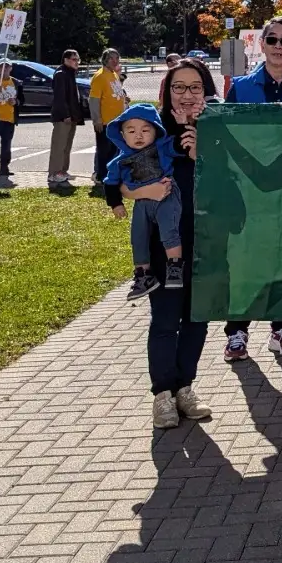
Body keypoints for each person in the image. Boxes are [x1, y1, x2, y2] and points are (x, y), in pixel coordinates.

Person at [111, 58, 216, 430]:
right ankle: (163, 395)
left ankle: (185, 387)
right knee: (166, 320)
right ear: (166, 91)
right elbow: (117, 178)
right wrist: (138, 189)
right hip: (166, 243)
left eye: (195, 88)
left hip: (207, 241)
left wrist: (201, 151)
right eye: (179, 87)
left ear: (208, 90)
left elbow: (237, 184)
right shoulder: (151, 130)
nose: (187, 95)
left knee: (197, 319)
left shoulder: (221, 126)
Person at [221, 16, 282, 360]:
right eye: (271, 40)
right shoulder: (241, 88)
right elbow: (227, 138)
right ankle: (237, 332)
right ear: (261, 44)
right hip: (248, 191)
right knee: (244, 262)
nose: (278, 47)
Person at [105, 103, 185, 297]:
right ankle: (143, 275)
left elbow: (179, 146)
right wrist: (116, 204)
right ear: (122, 135)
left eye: (145, 130)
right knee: (138, 236)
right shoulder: (119, 161)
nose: (138, 136)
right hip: (142, 202)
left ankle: (175, 267)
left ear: (156, 132)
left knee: (169, 230)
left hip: (166, 195)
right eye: (131, 131)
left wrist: (182, 125)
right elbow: (110, 183)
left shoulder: (162, 147)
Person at [89, 48, 130, 187]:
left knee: (114, 151)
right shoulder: (100, 76)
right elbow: (94, 100)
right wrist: (97, 120)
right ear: (105, 60)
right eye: (112, 58)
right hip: (105, 122)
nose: (115, 61)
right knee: (104, 151)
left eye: (117, 58)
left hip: (116, 121)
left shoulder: (114, 74)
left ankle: (111, 176)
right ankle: (101, 176)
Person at [48, 49, 85, 187]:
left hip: (72, 117)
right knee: (59, 146)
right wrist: (66, 115)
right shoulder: (60, 75)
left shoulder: (70, 74)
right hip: (63, 117)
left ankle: (63, 171)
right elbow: (60, 98)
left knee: (67, 146)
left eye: (78, 59)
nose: (77, 62)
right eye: (74, 59)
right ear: (66, 59)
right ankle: (54, 173)